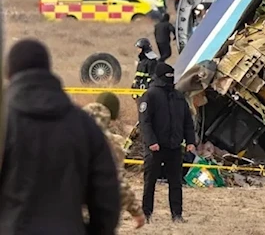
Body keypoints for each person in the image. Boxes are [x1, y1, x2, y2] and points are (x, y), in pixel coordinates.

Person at [0, 39, 120, 234]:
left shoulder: (4, 124)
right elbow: (106, 198)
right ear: (48, 69)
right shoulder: (84, 125)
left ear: (9, 73)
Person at [138, 62, 196, 224]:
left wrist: (190, 141)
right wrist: (151, 142)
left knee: (176, 182)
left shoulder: (178, 96)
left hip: (174, 147)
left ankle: (177, 215)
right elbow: (145, 122)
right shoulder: (150, 95)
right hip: (155, 148)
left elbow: (187, 122)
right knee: (150, 183)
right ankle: (146, 214)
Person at [83, 92, 145, 230]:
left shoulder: (67, 132)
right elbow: (118, 181)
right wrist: (136, 210)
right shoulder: (111, 143)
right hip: (97, 212)